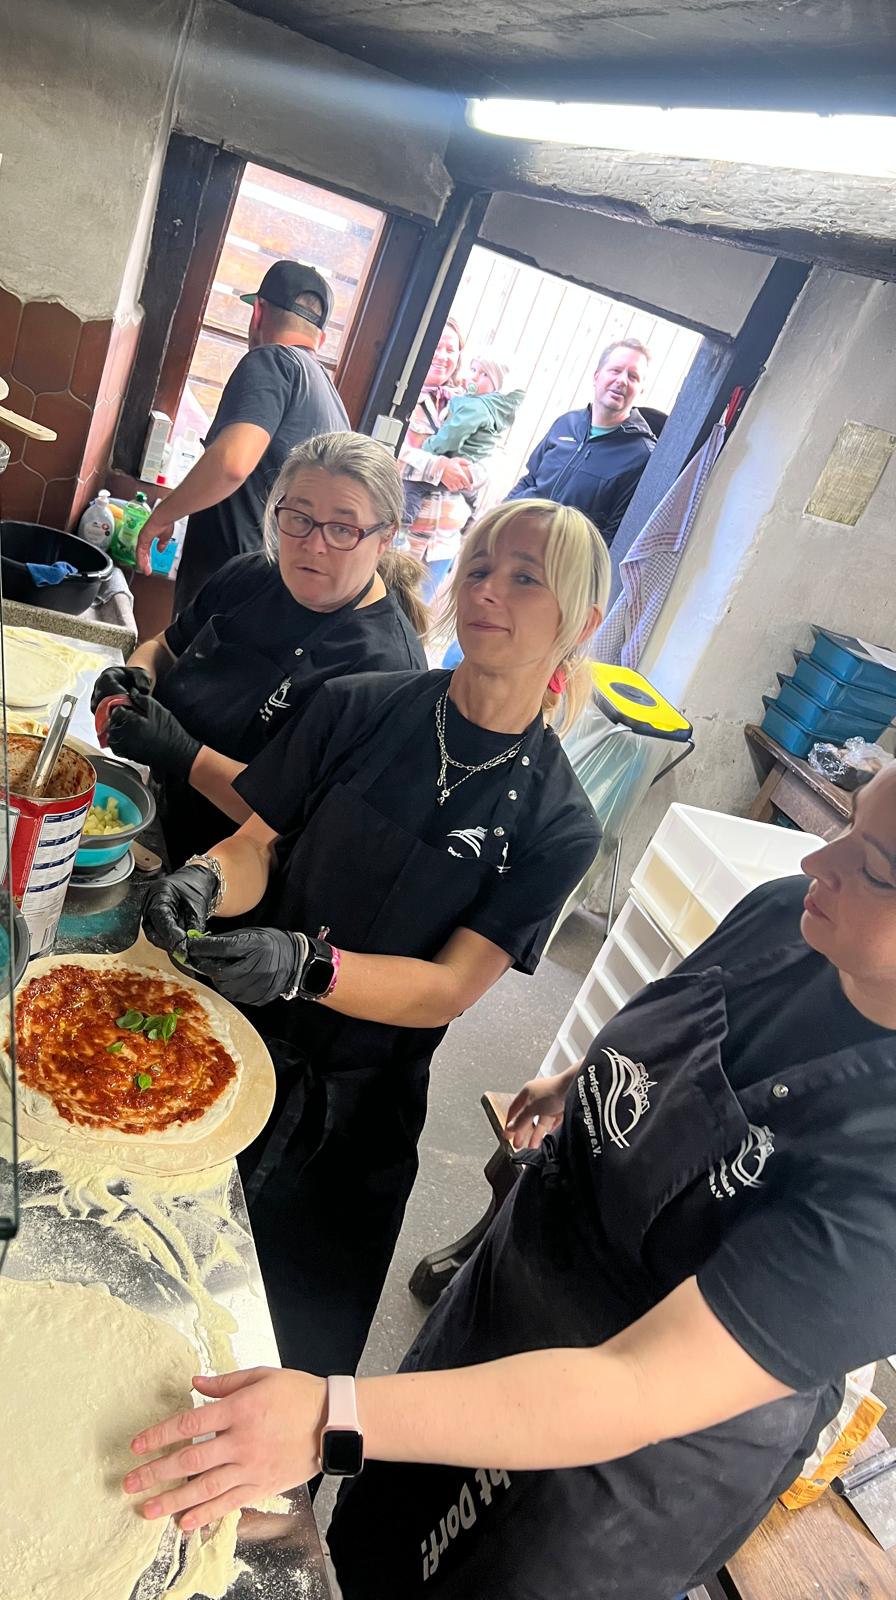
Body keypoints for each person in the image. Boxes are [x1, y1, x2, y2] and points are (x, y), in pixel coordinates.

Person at [122, 772, 896, 1600]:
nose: (819, 861)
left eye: (877, 868)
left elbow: (636, 1384)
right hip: (513, 1297)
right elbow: (680, 1021)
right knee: (372, 1531)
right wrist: (587, 1078)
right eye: (847, 824)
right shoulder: (789, 915)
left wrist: (326, 1417)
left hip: (619, 1464)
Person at [137, 500, 611, 1377]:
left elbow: (449, 987)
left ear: (581, 623)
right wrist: (207, 877)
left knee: (282, 1354)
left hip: (358, 1115)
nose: (488, 591)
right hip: (234, 1036)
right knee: (140, 1282)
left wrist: (306, 965)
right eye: (479, 568)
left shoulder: (559, 823)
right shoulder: (358, 705)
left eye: (524, 578)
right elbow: (257, 843)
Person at [92, 433, 428, 867]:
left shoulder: (388, 673)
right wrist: (137, 675)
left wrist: (183, 754)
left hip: (225, 876)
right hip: (147, 815)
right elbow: (165, 647)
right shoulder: (252, 575)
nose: (313, 544)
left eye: (343, 529)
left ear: (385, 537)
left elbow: (301, 823)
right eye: (299, 518)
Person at [135, 260, 349, 612]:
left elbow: (232, 463)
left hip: (231, 589)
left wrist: (162, 515)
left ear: (258, 312)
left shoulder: (272, 361)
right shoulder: (330, 398)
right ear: (320, 338)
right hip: (274, 596)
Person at [509, 336, 656, 546]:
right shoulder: (566, 423)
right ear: (597, 376)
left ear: (641, 389)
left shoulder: (641, 456)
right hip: (516, 537)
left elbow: (613, 535)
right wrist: (498, 518)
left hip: (561, 559)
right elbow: (530, 480)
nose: (622, 380)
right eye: (615, 370)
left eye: (633, 376)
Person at [397, 319, 484, 604]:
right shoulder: (400, 395)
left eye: (451, 349)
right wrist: (438, 468)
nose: (443, 355)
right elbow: (388, 452)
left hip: (443, 544)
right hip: (401, 541)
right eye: (436, 346)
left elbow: (487, 460)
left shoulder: (470, 404)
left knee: (415, 622)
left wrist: (471, 473)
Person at [424, 350, 524, 466]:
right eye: (473, 370)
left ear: (497, 385)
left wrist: (427, 448)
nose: (474, 377)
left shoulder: (476, 408)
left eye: (485, 374)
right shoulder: (490, 406)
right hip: (472, 464)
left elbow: (451, 436)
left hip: (458, 463)